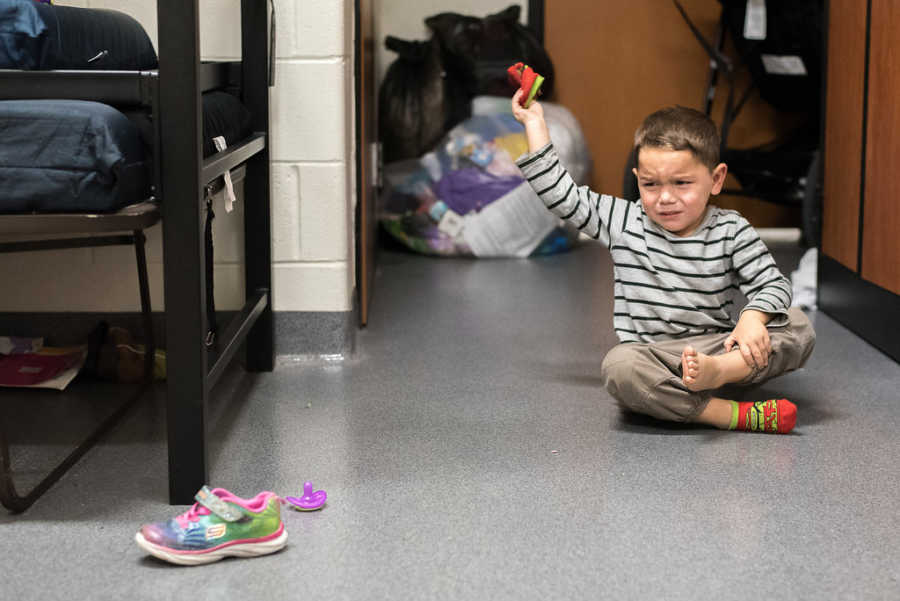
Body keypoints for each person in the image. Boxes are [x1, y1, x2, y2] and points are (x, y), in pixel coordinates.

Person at [511, 90, 815, 433]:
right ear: (638, 178)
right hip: (657, 360)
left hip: (721, 351)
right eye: (650, 184)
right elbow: (561, 195)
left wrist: (752, 319)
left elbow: (772, 284)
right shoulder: (623, 220)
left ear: (716, 180)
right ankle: (728, 413)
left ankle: (715, 377)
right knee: (620, 367)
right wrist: (535, 123)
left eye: (682, 183)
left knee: (797, 324)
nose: (665, 197)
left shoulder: (731, 229)